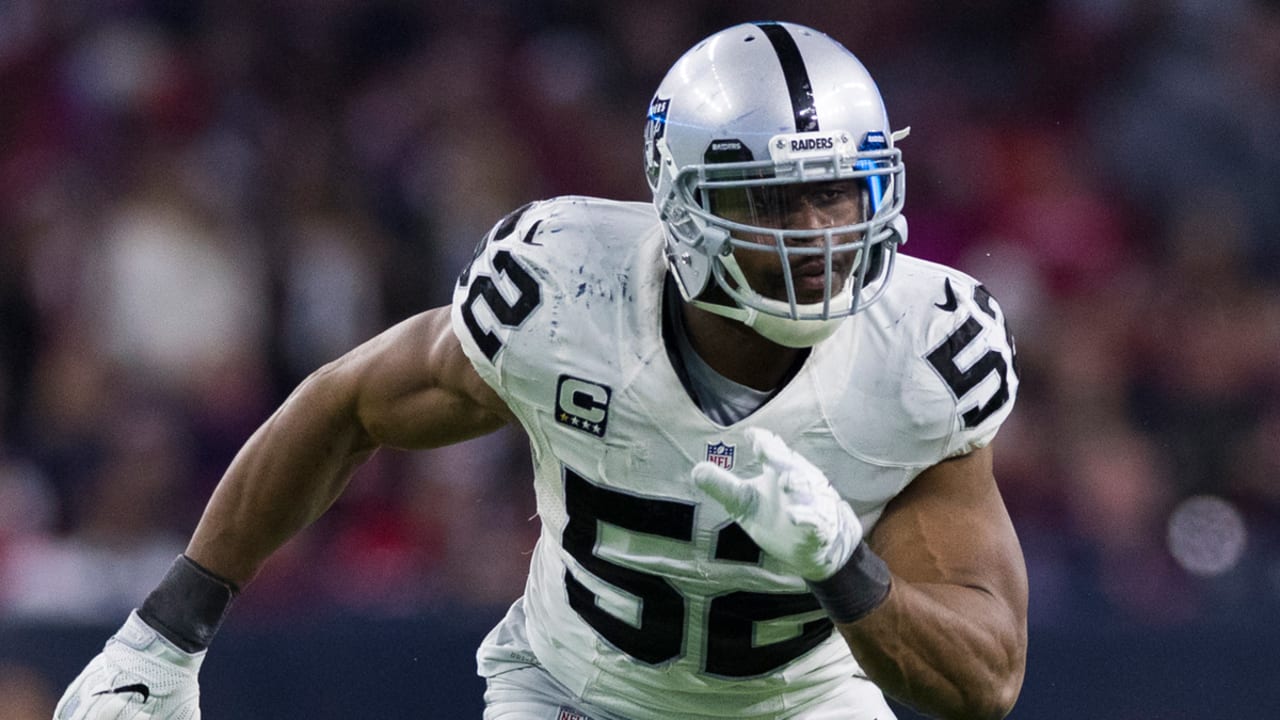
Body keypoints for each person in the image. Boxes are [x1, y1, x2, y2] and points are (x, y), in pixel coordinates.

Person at [54, 20, 1027, 720]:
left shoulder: (922, 347)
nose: (819, 235)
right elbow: (348, 404)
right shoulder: (566, 292)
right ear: (682, 205)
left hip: (798, 703)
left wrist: (840, 567)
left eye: (838, 192)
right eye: (771, 200)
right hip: (575, 692)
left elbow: (987, 682)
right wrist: (162, 634)